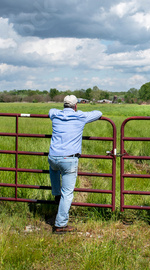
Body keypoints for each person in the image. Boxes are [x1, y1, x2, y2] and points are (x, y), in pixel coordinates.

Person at [48, 95, 102, 234]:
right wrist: (80, 113)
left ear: (64, 105)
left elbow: (51, 110)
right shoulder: (80, 117)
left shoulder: (55, 114)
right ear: (76, 106)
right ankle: (60, 224)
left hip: (53, 156)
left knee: (54, 170)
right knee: (68, 193)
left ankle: (56, 193)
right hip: (69, 158)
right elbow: (98, 113)